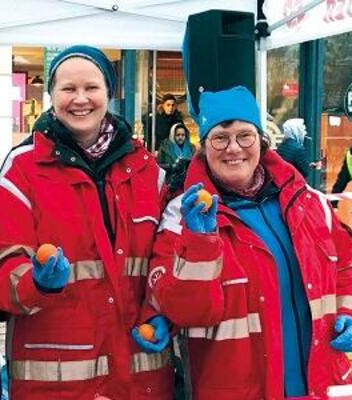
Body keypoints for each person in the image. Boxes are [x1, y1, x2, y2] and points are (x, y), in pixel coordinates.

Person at [0, 45, 173, 400]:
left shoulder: (146, 169)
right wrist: (34, 283)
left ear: (109, 93)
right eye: (68, 89)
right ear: (51, 95)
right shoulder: (21, 170)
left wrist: (165, 313)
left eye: (91, 88)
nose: (80, 99)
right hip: (57, 385)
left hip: (139, 376)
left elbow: (167, 257)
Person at [149, 86, 352, 399]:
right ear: (203, 147)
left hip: (321, 385)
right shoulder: (181, 216)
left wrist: (348, 314)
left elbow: (345, 268)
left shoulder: (308, 203)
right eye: (220, 137)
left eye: (245, 135)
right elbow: (182, 311)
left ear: (262, 141)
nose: (233, 148)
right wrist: (200, 244)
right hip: (237, 390)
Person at [157, 123, 195, 192]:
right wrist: (171, 167)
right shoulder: (165, 147)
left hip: (188, 185)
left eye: (183, 135)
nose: (180, 137)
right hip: (170, 185)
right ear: (173, 135)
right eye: (178, 135)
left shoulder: (191, 148)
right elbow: (157, 166)